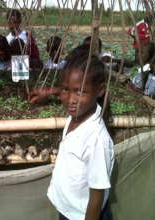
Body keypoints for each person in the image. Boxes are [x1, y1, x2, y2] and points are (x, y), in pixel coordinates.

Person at [44, 54, 114, 220]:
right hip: (68, 207)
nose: (70, 99)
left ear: (100, 90)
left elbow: (96, 197)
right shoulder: (76, 116)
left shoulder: (96, 139)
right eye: (65, 89)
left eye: (80, 91)